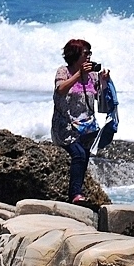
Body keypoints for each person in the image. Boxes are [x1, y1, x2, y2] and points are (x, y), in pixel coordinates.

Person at [51, 39, 109, 205]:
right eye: (86, 53)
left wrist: (104, 82)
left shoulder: (92, 77)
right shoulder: (64, 72)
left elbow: (101, 101)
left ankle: (78, 193)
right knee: (79, 154)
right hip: (66, 127)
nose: (89, 57)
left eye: (90, 53)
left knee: (84, 156)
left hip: (86, 127)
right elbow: (60, 90)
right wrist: (78, 75)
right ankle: (75, 195)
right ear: (75, 55)